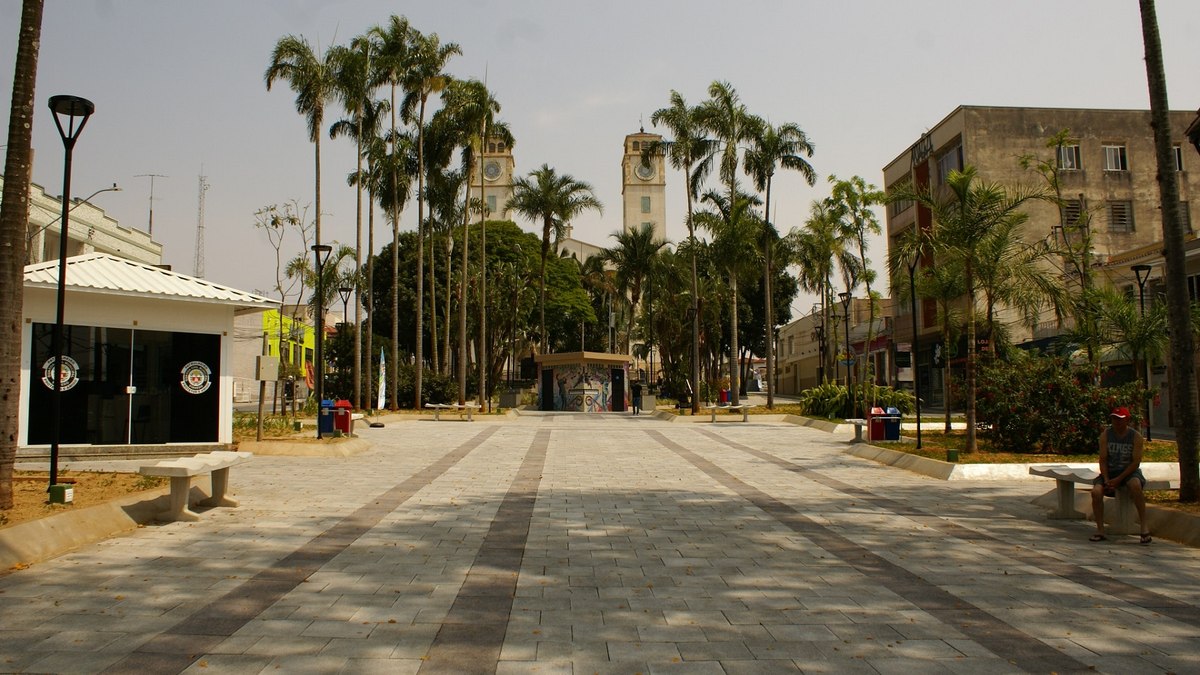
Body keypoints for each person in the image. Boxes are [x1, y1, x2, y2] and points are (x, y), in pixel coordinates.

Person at [1089, 406, 1150, 544]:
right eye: (1114, 419)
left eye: (1120, 419)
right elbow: (1103, 459)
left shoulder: (1136, 437)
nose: (1116, 422)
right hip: (1110, 471)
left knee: (1135, 485)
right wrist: (1106, 479)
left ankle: (1144, 527)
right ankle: (1100, 530)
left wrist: (1119, 479)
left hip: (1128, 471)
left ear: (1127, 420)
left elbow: (1136, 462)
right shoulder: (1106, 435)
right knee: (1096, 492)